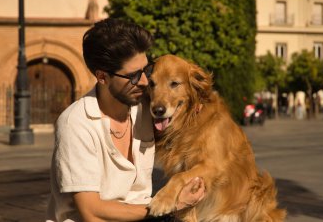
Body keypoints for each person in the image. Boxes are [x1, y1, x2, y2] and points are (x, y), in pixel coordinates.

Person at [46, 18, 205, 222]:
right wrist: (171, 206)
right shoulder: (76, 124)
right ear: (102, 77)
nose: (144, 81)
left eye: (146, 71)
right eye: (132, 76)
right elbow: (91, 212)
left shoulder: (146, 109)